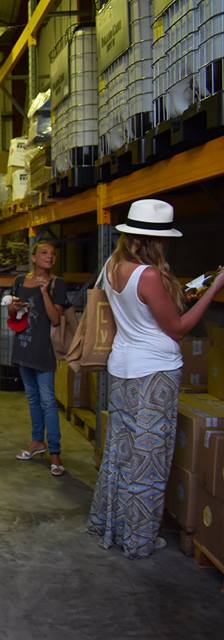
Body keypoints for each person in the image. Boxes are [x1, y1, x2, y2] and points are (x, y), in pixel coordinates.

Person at [87, 199, 224, 559]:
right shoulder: (148, 275)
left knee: (120, 452)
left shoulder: (113, 264)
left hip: (123, 368)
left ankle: (111, 526)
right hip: (154, 374)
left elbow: (143, 312)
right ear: (156, 240)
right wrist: (214, 288)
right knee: (149, 458)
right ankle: (138, 539)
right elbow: (177, 328)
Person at [9, 240, 68, 476]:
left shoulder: (57, 283)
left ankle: (55, 452)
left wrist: (44, 292)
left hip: (44, 350)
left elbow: (55, 319)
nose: (49, 257)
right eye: (44, 253)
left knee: (48, 401)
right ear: (33, 258)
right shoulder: (20, 281)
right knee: (33, 398)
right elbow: (11, 313)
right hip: (24, 346)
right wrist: (15, 308)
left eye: (52, 254)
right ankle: (36, 442)